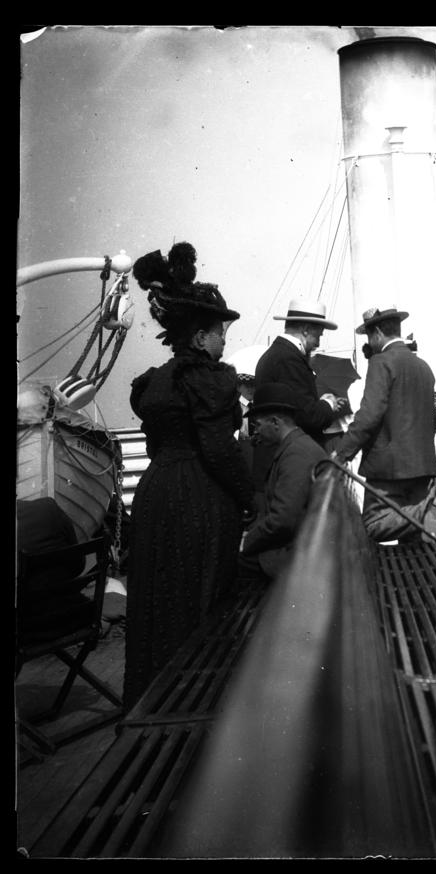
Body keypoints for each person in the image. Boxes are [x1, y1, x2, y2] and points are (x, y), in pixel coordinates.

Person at [123, 242, 255, 712]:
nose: (224, 341)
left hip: (157, 494)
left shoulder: (154, 381)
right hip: (199, 497)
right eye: (220, 333)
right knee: (201, 596)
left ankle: (153, 705)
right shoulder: (212, 379)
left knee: (160, 600)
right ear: (201, 337)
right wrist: (252, 500)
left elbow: (155, 445)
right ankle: (199, 708)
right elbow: (219, 451)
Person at [331, 305, 436, 542]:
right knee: (415, 546)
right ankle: (425, 518)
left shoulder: (381, 362)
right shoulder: (423, 366)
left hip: (387, 469)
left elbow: (369, 415)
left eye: (368, 336)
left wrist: (342, 454)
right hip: (423, 467)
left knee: (373, 526)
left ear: (376, 333)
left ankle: (424, 515)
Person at [253, 298, 348, 486]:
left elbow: (294, 403)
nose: (318, 343)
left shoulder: (277, 355)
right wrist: (327, 404)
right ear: (306, 330)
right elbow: (308, 417)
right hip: (289, 463)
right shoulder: (289, 360)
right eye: (318, 336)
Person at [239, 383, 328, 581]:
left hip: (298, 556)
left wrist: (246, 542)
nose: (256, 432)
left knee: (226, 560)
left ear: (275, 422)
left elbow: (282, 521)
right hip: (303, 546)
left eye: (258, 425)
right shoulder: (296, 446)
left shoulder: (296, 454)